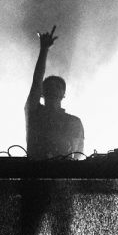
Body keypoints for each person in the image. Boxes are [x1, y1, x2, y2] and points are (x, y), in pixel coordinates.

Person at [25, 26, 84, 159]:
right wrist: (44, 50)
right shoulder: (34, 112)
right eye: (49, 85)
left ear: (63, 94)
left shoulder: (73, 121)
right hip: (35, 171)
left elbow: (78, 155)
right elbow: (36, 81)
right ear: (42, 92)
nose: (53, 87)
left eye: (58, 86)